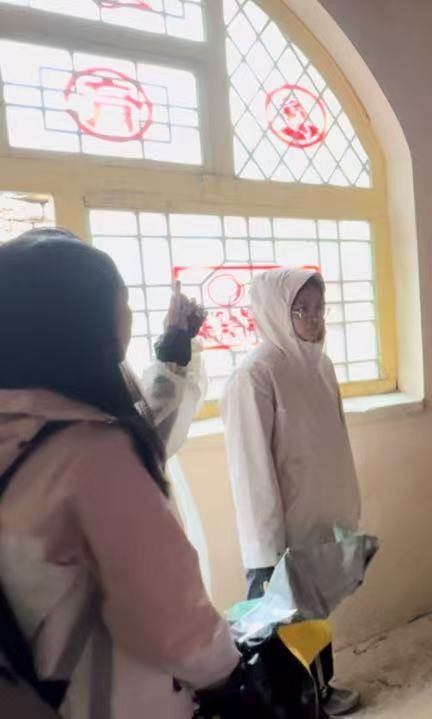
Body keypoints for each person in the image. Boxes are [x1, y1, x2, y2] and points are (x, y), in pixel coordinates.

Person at [0, 229, 240, 717]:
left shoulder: (29, 426)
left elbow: (150, 424)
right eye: (122, 300)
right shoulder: (92, 455)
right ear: (81, 322)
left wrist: (174, 348)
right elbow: (175, 623)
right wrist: (232, 674)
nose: (128, 314)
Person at [222, 268, 362, 715]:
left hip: (318, 520)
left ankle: (321, 692)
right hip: (278, 532)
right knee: (277, 633)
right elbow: (251, 470)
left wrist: (346, 509)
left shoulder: (320, 364)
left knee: (313, 617)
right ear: (275, 312)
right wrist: (267, 547)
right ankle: (286, 709)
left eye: (319, 308)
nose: (313, 318)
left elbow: (337, 442)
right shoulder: (255, 376)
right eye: (301, 309)